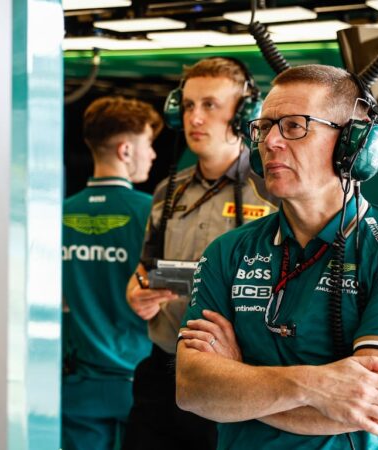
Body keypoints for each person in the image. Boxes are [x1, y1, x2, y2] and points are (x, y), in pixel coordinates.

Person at [176, 64, 378, 449]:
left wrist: (237, 380)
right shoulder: (228, 251)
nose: (270, 142)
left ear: (353, 145)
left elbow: (367, 402)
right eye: (264, 126)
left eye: (294, 126)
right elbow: (192, 390)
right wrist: (314, 385)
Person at [123, 57, 278, 449]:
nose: (195, 117)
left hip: (235, 377)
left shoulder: (273, 195)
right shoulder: (166, 192)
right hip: (162, 372)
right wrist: (137, 290)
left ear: (244, 113)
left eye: (210, 105)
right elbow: (147, 267)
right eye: (188, 105)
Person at [61, 96, 163, 450]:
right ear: (125, 150)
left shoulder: (56, 214)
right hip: (137, 380)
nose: (152, 155)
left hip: (76, 382)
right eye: (148, 144)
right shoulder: (154, 213)